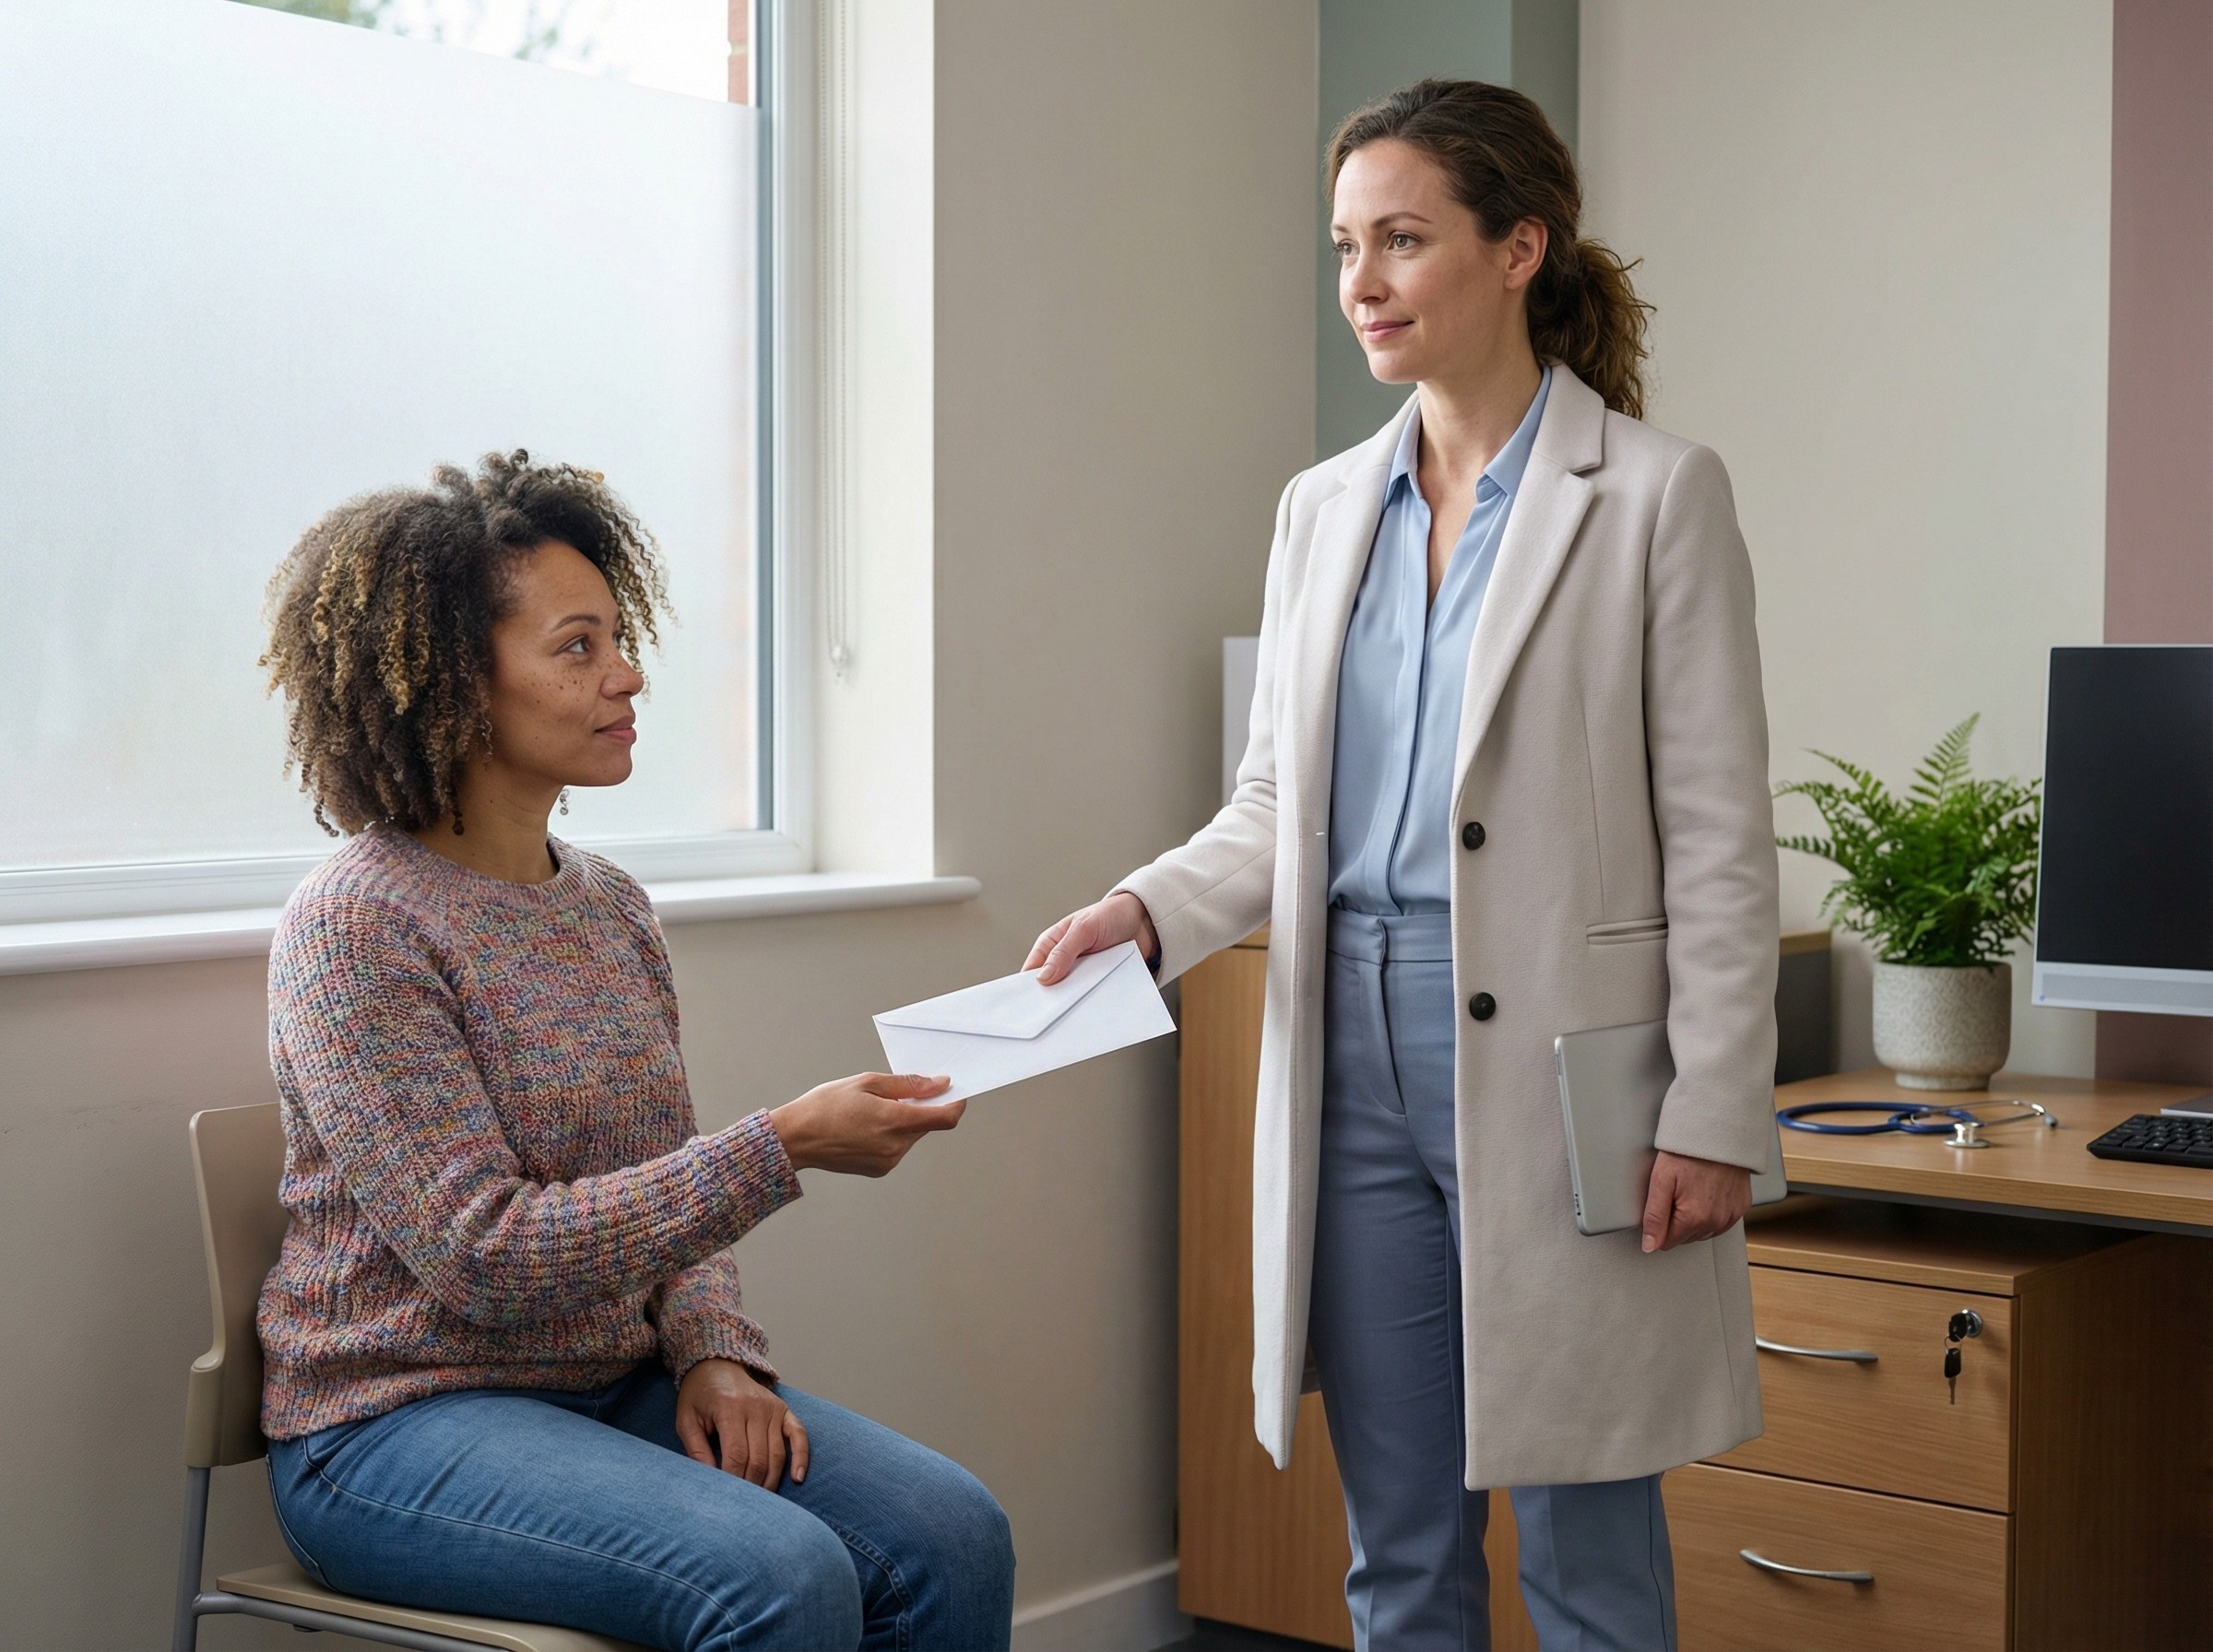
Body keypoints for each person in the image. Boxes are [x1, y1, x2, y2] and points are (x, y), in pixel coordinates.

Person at [1028, 81, 1776, 1652]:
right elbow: (1270, 809)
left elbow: (1717, 840)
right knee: (1399, 1542)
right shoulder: (1319, 512)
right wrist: (1142, 914)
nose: (1361, 282)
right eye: (1345, 245)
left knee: (1587, 1538)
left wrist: (1714, 1109)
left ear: (1519, 249)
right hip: (1344, 1053)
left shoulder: (1654, 496)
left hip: (1572, 1065)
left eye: (1403, 241)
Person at [255, 452, 1015, 1652]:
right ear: (460, 683)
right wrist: (784, 1147)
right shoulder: (356, 931)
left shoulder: (607, 905)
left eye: (618, 637)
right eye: (577, 647)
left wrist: (714, 1354)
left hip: (612, 1386)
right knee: (781, 1578)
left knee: (955, 1532)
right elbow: (485, 1259)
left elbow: (658, 1189)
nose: (627, 674)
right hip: (395, 1422)